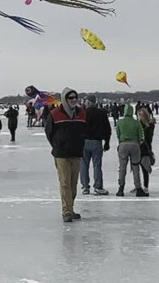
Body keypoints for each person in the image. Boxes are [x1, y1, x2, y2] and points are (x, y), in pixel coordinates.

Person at [42, 89, 88, 222]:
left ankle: (70, 208)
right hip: (61, 154)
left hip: (76, 154)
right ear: (64, 99)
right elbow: (49, 132)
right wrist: (57, 145)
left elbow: (85, 130)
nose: (74, 100)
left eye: (75, 98)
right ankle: (66, 211)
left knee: (73, 185)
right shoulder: (55, 114)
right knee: (64, 183)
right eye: (71, 98)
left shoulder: (81, 113)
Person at [114, 104, 147, 196]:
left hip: (123, 145)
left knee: (122, 167)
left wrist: (121, 142)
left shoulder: (119, 122)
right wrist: (137, 143)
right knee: (135, 167)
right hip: (135, 145)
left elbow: (118, 134)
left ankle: (121, 188)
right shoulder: (137, 123)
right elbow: (141, 136)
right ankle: (138, 188)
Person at [81, 98, 111, 196]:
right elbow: (107, 129)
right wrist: (107, 142)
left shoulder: (82, 113)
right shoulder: (101, 113)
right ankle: (98, 186)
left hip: (84, 142)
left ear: (88, 102)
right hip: (97, 142)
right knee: (97, 165)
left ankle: (85, 187)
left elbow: (77, 128)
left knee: (83, 165)